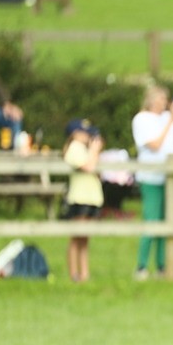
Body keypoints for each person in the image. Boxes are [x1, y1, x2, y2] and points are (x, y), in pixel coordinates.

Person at [133, 85, 173, 280]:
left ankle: (162, 266)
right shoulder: (142, 119)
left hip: (170, 178)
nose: (166, 103)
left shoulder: (167, 119)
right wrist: (171, 121)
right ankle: (142, 266)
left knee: (168, 222)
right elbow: (155, 145)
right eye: (162, 99)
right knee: (151, 221)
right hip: (151, 178)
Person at [63, 119, 104, 282]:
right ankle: (74, 273)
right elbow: (89, 167)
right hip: (80, 198)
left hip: (91, 198)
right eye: (84, 132)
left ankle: (84, 274)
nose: (88, 136)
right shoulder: (74, 149)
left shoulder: (85, 149)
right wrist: (94, 151)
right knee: (76, 238)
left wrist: (94, 152)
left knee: (85, 239)